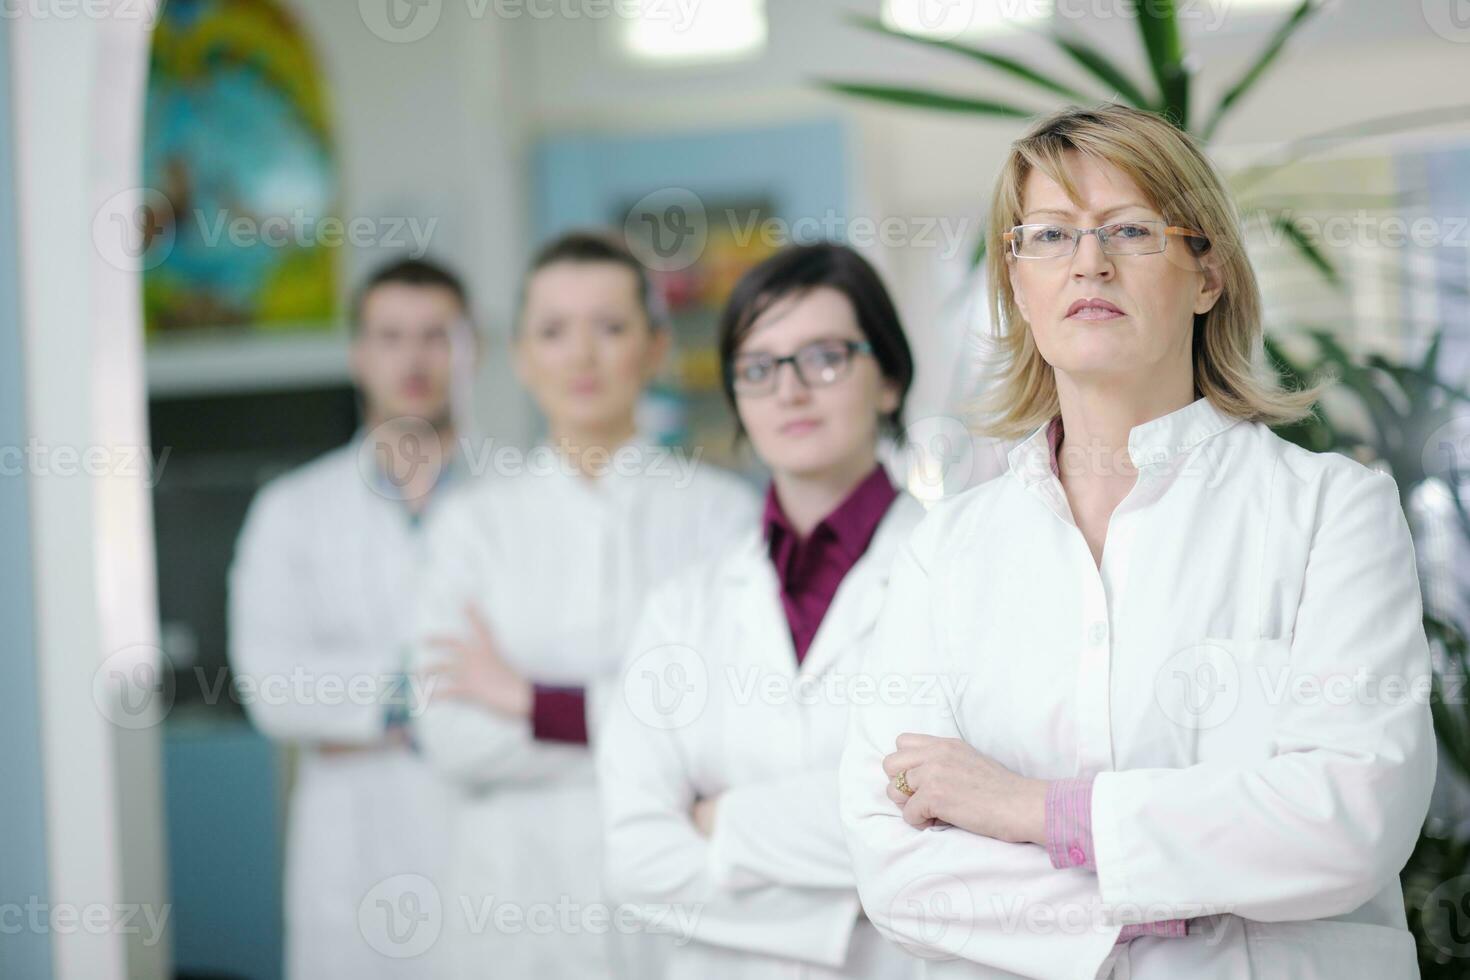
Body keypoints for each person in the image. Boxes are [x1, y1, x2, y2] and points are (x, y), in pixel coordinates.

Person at [839, 102, 1437, 980]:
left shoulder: (1332, 512)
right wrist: (1186, 892)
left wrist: (1035, 812)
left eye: (1129, 228)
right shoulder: (946, 551)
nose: (1089, 261)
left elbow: (1353, 817)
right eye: (1048, 235)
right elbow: (896, 868)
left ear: (1208, 275)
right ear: (1016, 286)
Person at [410, 230, 760, 980]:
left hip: (677, 908)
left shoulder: (721, 517)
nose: (581, 355)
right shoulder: (471, 524)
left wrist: (525, 699)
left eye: (610, 327)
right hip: (509, 906)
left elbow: (729, 728)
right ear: (520, 356)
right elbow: (450, 734)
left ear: (657, 345)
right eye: (553, 331)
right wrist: (642, 726)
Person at [597, 242, 924, 979]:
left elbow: (953, 827)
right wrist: (837, 916)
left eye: (825, 357)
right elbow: (637, 858)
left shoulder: (962, 577)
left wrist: (725, 820)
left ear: (890, 379)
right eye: (759, 367)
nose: (790, 391)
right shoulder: (682, 608)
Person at [229, 257, 473, 979]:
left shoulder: (522, 499)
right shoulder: (293, 510)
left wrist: (357, 705)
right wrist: (444, 694)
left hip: (486, 847)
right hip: (353, 852)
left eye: (437, 335)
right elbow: (272, 689)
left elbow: (543, 672)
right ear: (358, 355)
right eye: (391, 336)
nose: (415, 358)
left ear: (473, 348)